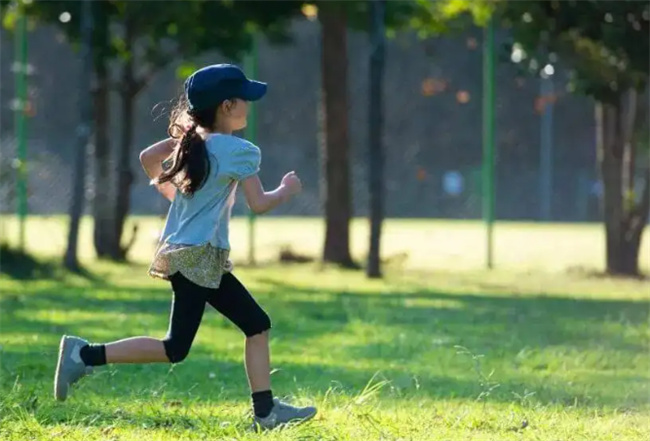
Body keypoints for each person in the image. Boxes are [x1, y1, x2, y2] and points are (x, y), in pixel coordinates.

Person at [53, 64, 317, 430]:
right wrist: (287, 191)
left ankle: (266, 411)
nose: (248, 106)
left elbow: (148, 157)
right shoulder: (240, 151)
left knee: (256, 325)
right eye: (244, 100)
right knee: (176, 347)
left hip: (187, 254)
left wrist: (166, 189)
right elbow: (259, 203)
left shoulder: (192, 143)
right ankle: (83, 355)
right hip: (199, 257)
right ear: (226, 106)